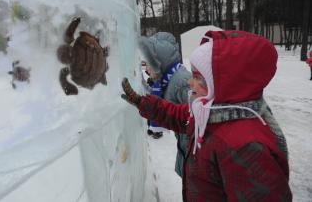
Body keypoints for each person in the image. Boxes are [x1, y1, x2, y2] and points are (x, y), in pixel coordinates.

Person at [122, 30, 292, 201]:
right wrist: (141, 102)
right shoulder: (210, 112)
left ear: (223, 83)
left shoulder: (246, 146)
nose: (190, 82)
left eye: (198, 77)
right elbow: (178, 115)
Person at [139, 32, 191, 176]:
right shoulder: (167, 80)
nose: (147, 70)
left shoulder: (181, 81)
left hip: (192, 151)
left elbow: (198, 118)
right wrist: (141, 84)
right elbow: (162, 101)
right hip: (185, 148)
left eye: (148, 64)